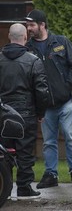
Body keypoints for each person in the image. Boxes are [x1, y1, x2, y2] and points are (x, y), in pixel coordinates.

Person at [25, 9, 72, 188]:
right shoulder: (29, 49)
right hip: (45, 107)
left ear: (42, 25)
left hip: (66, 101)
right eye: (28, 25)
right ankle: (51, 175)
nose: (29, 28)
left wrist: (67, 89)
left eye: (32, 25)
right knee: (48, 142)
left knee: (71, 137)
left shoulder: (61, 42)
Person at [0, 23, 49, 199]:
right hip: (25, 112)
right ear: (25, 38)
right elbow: (41, 91)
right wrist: (41, 113)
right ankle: (24, 188)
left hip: (3, 112)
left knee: (3, 151)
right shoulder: (33, 61)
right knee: (25, 151)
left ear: (9, 37)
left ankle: (3, 188)